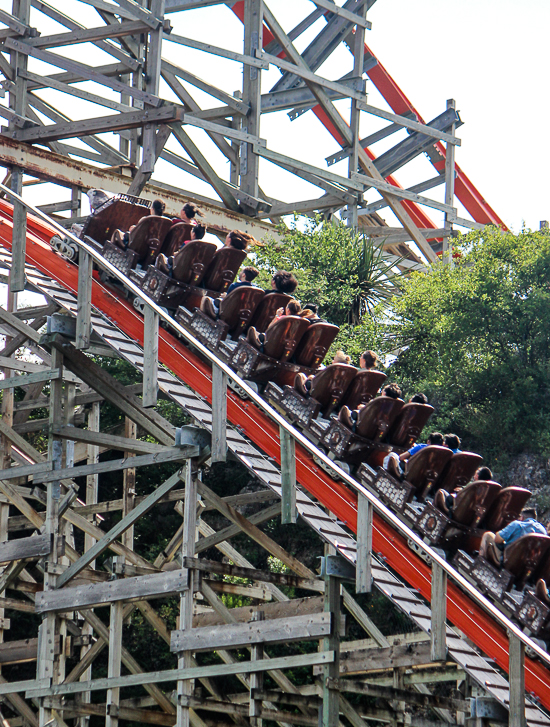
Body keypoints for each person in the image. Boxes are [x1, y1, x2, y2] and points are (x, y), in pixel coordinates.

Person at [479, 507, 546, 566]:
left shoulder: (517, 524)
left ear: (522, 517)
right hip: (527, 566)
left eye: (519, 516)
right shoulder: (543, 532)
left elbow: (497, 539)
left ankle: (479, 563)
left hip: (508, 562)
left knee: (487, 535)